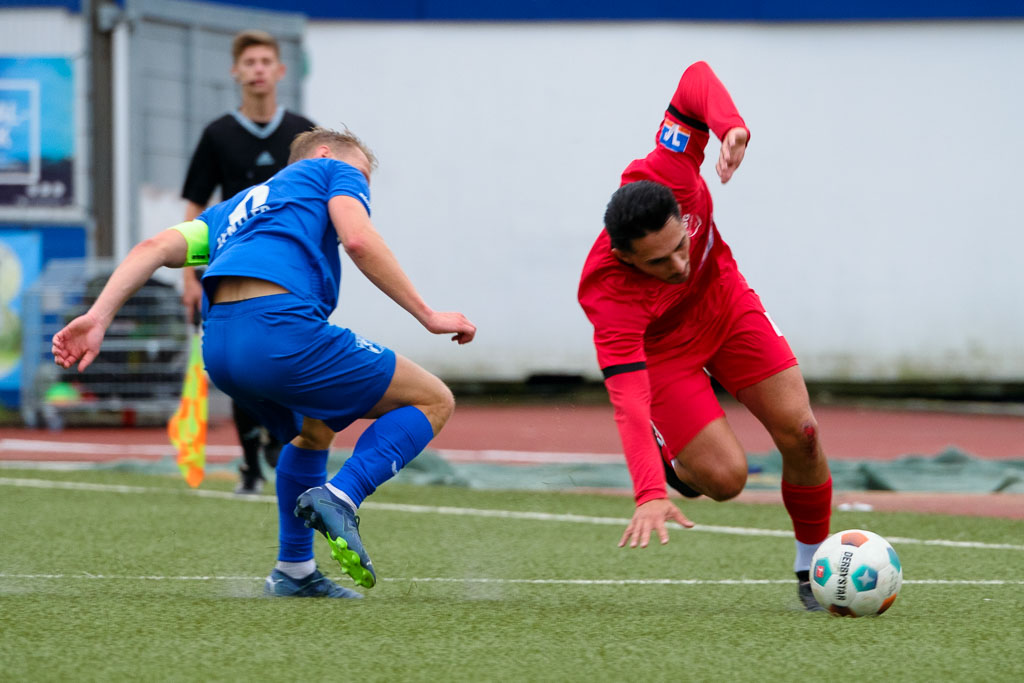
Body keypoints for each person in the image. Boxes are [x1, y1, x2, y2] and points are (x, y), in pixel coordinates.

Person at [53, 127, 477, 599]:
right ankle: (342, 495)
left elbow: (151, 249)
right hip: (278, 331)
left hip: (220, 348)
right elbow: (358, 240)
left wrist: (97, 316)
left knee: (314, 429)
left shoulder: (233, 210)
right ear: (322, 155)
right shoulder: (333, 170)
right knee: (434, 399)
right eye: (362, 178)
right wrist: (428, 314)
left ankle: (294, 571)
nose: (360, 189)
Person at [577, 62, 832, 611]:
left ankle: (812, 567)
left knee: (804, 432)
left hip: (724, 302)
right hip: (664, 353)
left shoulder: (670, 168)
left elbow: (694, 79)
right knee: (727, 480)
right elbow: (628, 401)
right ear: (624, 257)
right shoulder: (607, 296)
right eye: (659, 260)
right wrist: (649, 493)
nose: (677, 263)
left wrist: (731, 125)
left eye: (680, 243)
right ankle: (678, 465)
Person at [181, 29, 317, 494]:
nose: (258, 69)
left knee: (289, 356)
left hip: (289, 270)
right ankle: (251, 467)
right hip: (229, 267)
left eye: (266, 61)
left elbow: (323, 200)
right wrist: (187, 279)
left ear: (280, 71)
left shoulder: (304, 133)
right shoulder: (217, 134)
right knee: (234, 365)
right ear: (236, 72)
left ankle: (286, 443)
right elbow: (195, 208)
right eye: (250, 62)